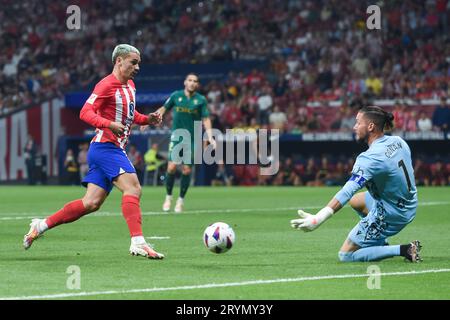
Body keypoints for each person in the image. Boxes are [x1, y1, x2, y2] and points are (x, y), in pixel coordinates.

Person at [23, 44, 164, 259]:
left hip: (107, 149)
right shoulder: (105, 85)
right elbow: (84, 112)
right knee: (133, 189)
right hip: (106, 148)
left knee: (91, 203)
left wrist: (147, 119)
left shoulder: (131, 86)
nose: (137, 67)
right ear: (119, 61)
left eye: (138, 64)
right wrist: (107, 123)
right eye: (133, 62)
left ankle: (40, 226)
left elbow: (128, 113)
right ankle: (138, 242)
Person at [291, 106, 422, 262]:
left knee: (345, 256)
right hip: (408, 203)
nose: (354, 127)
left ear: (370, 126)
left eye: (358, 122)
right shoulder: (398, 141)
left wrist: (318, 218)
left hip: (392, 214)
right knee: (356, 201)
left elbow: (347, 191)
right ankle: (377, 240)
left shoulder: (369, 158)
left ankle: (405, 249)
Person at [155, 73, 215, 213]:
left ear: (197, 85)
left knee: (187, 169)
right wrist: (149, 120)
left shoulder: (201, 100)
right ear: (185, 82)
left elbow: (206, 119)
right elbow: (164, 109)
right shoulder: (176, 96)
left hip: (192, 138)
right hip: (177, 136)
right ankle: (168, 196)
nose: (192, 83)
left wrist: (210, 136)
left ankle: (180, 200)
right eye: (190, 80)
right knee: (171, 167)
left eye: (195, 81)